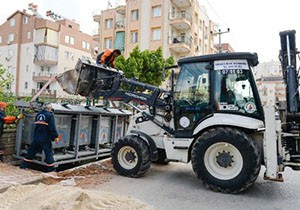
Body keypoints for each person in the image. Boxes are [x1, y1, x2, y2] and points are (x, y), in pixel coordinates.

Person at [20, 103, 59, 172]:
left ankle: (23, 165)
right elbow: (52, 128)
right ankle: (51, 169)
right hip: (45, 138)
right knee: (48, 153)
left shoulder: (38, 115)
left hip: (37, 137)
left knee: (31, 152)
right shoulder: (50, 115)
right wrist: (55, 136)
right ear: (49, 108)